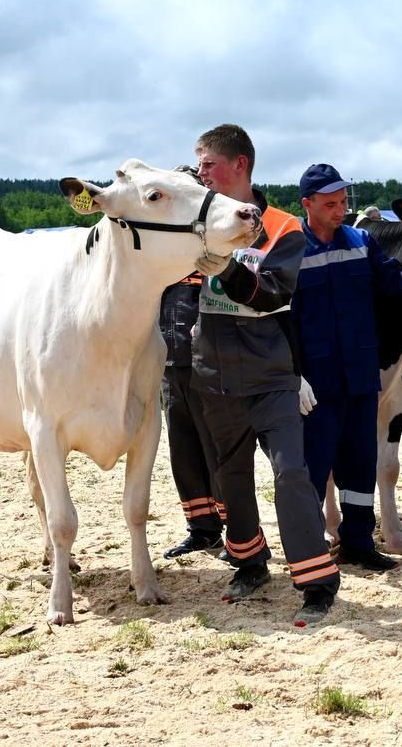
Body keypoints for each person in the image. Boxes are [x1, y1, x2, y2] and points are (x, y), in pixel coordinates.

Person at [190, 124, 339, 624]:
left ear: (240, 165)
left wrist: (226, 266)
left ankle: (317, 581)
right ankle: (249, 562)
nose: (201, 172)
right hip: (213, 375)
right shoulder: (195, 220)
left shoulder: (281, 227)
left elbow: (274, 292)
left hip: (272, 375)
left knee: (291, 473)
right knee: (230, 478)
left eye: (208, 164)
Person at [292, 163, 402, 570]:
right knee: (315, 467)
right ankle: (310, 553)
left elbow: (396, 283)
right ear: (307, 204)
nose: (339, 209)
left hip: (360, 374)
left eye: (342, 201)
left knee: (358, 463)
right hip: (317, 380)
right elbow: (279, 314)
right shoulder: (290, 246)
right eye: (330, 203)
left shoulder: (361, 240)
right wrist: (291, 372)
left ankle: (358, 544)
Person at [159, 165, 225, 559]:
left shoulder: (215, 246)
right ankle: (201, 529)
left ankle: (236, 529)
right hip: (168, 365)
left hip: (209, 364)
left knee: (217, 449)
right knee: (182, 452)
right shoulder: (161, 253)